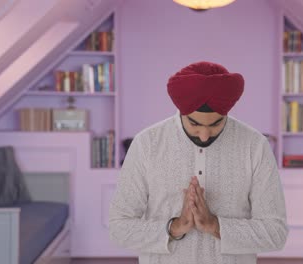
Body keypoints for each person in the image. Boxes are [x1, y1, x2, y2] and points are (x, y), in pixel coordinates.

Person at [109, 61, 288, 264]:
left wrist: (215, 226)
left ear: (226, 114)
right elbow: (119, 227)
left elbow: (276, 232)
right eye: (194, 123)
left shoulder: (254, 145)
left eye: (216, 123)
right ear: (182, 112)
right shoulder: (147, 144)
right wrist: (174, 227)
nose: (204, 136)